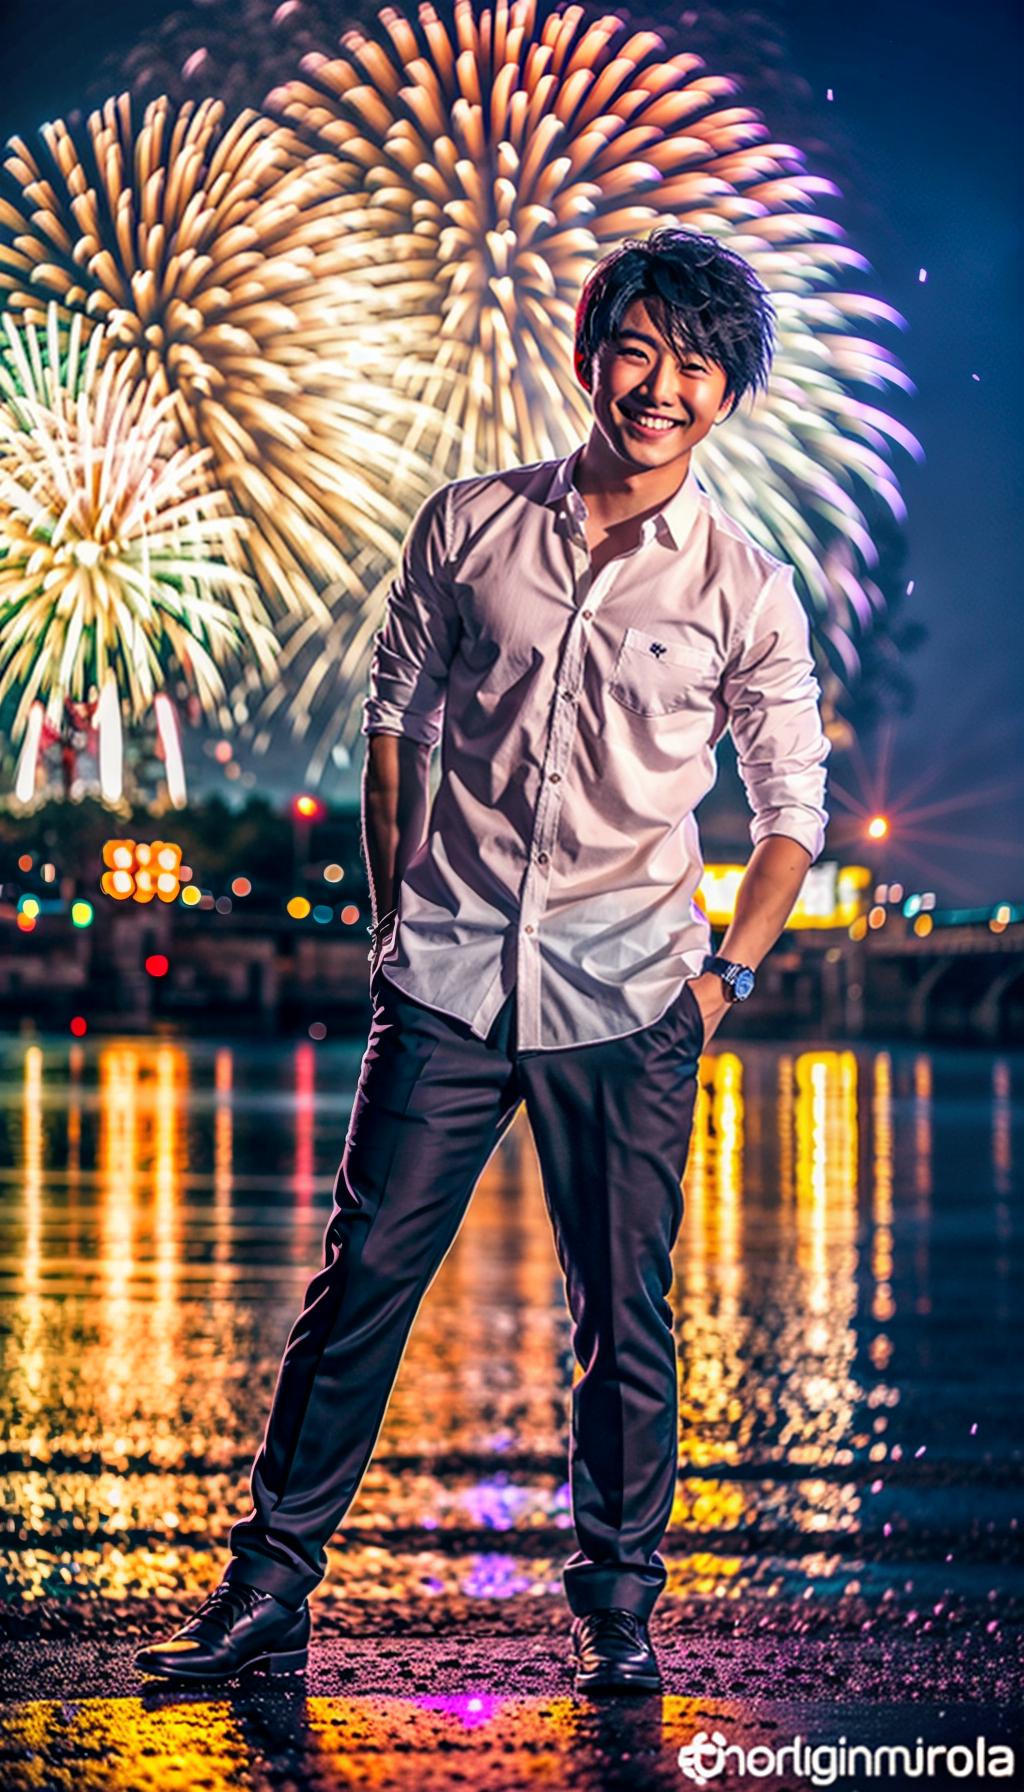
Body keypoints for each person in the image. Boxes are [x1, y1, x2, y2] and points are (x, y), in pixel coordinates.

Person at [135, 226, 830, 1695]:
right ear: (591, 352)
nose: (657, 388)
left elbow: (791, 818)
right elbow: (398, 720)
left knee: (622, 1316)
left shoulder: (744, 587)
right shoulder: (468, 524)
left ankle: (619, 1611)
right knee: (359, 1286)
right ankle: (269, 1589)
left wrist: (723, 984)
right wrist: (399, 928)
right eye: (636, 350)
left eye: (694, 367)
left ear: (724, 399)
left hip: (632, 995)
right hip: (446, 982)